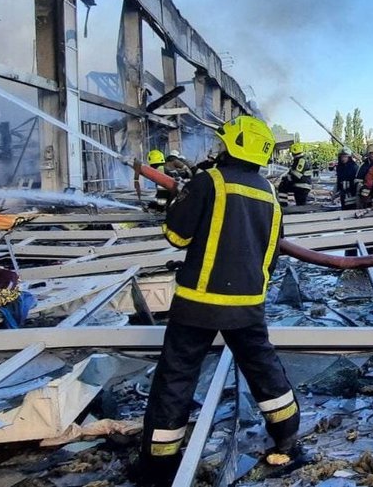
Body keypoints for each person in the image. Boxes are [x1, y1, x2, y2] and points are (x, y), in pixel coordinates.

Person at [139, 116, 300, 484]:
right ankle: (288, 439)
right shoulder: (270, 195)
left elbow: (177, 237)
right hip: (248, 305)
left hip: (197, 303)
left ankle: (159, 464)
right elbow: (272, 254)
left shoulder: (209, 182)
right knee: (265, 370)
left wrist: (174, 199)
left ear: (231, 147)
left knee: (177, 377)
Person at [354, 143, 373, 208]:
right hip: (366, 193)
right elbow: (357, 181)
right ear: (368, 154)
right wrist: (363, 187)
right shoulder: (363, 166)